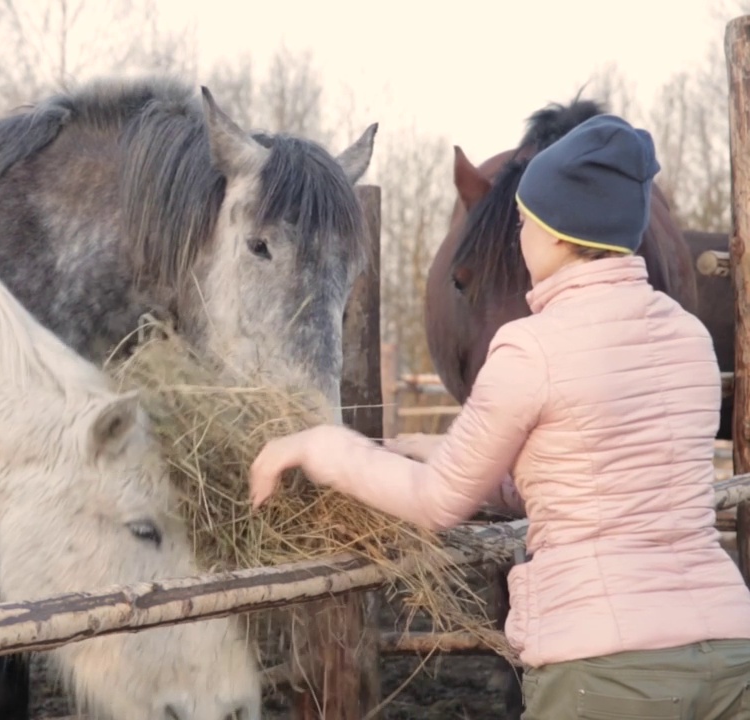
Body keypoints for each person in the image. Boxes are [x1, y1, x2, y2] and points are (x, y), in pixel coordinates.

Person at [249, 113, 750, 719]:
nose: (517, 236)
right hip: (728, 651)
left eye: (523, 221)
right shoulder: (689, 338)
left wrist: (323, 447)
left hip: (607, 670)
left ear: (557, 233)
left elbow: (437, 503)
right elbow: (598, 482)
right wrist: (445, 450)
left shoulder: (530, 347)